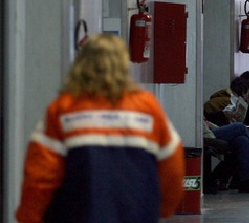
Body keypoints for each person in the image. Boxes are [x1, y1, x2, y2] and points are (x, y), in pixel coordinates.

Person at [15, 34, 185, 223]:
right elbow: (173, 167)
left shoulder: (63, 109)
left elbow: (40, 176)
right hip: (136, 214)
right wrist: (163, 208)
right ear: (123, 64)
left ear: (82, 63)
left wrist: (29, 217)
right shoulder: (148, 109)